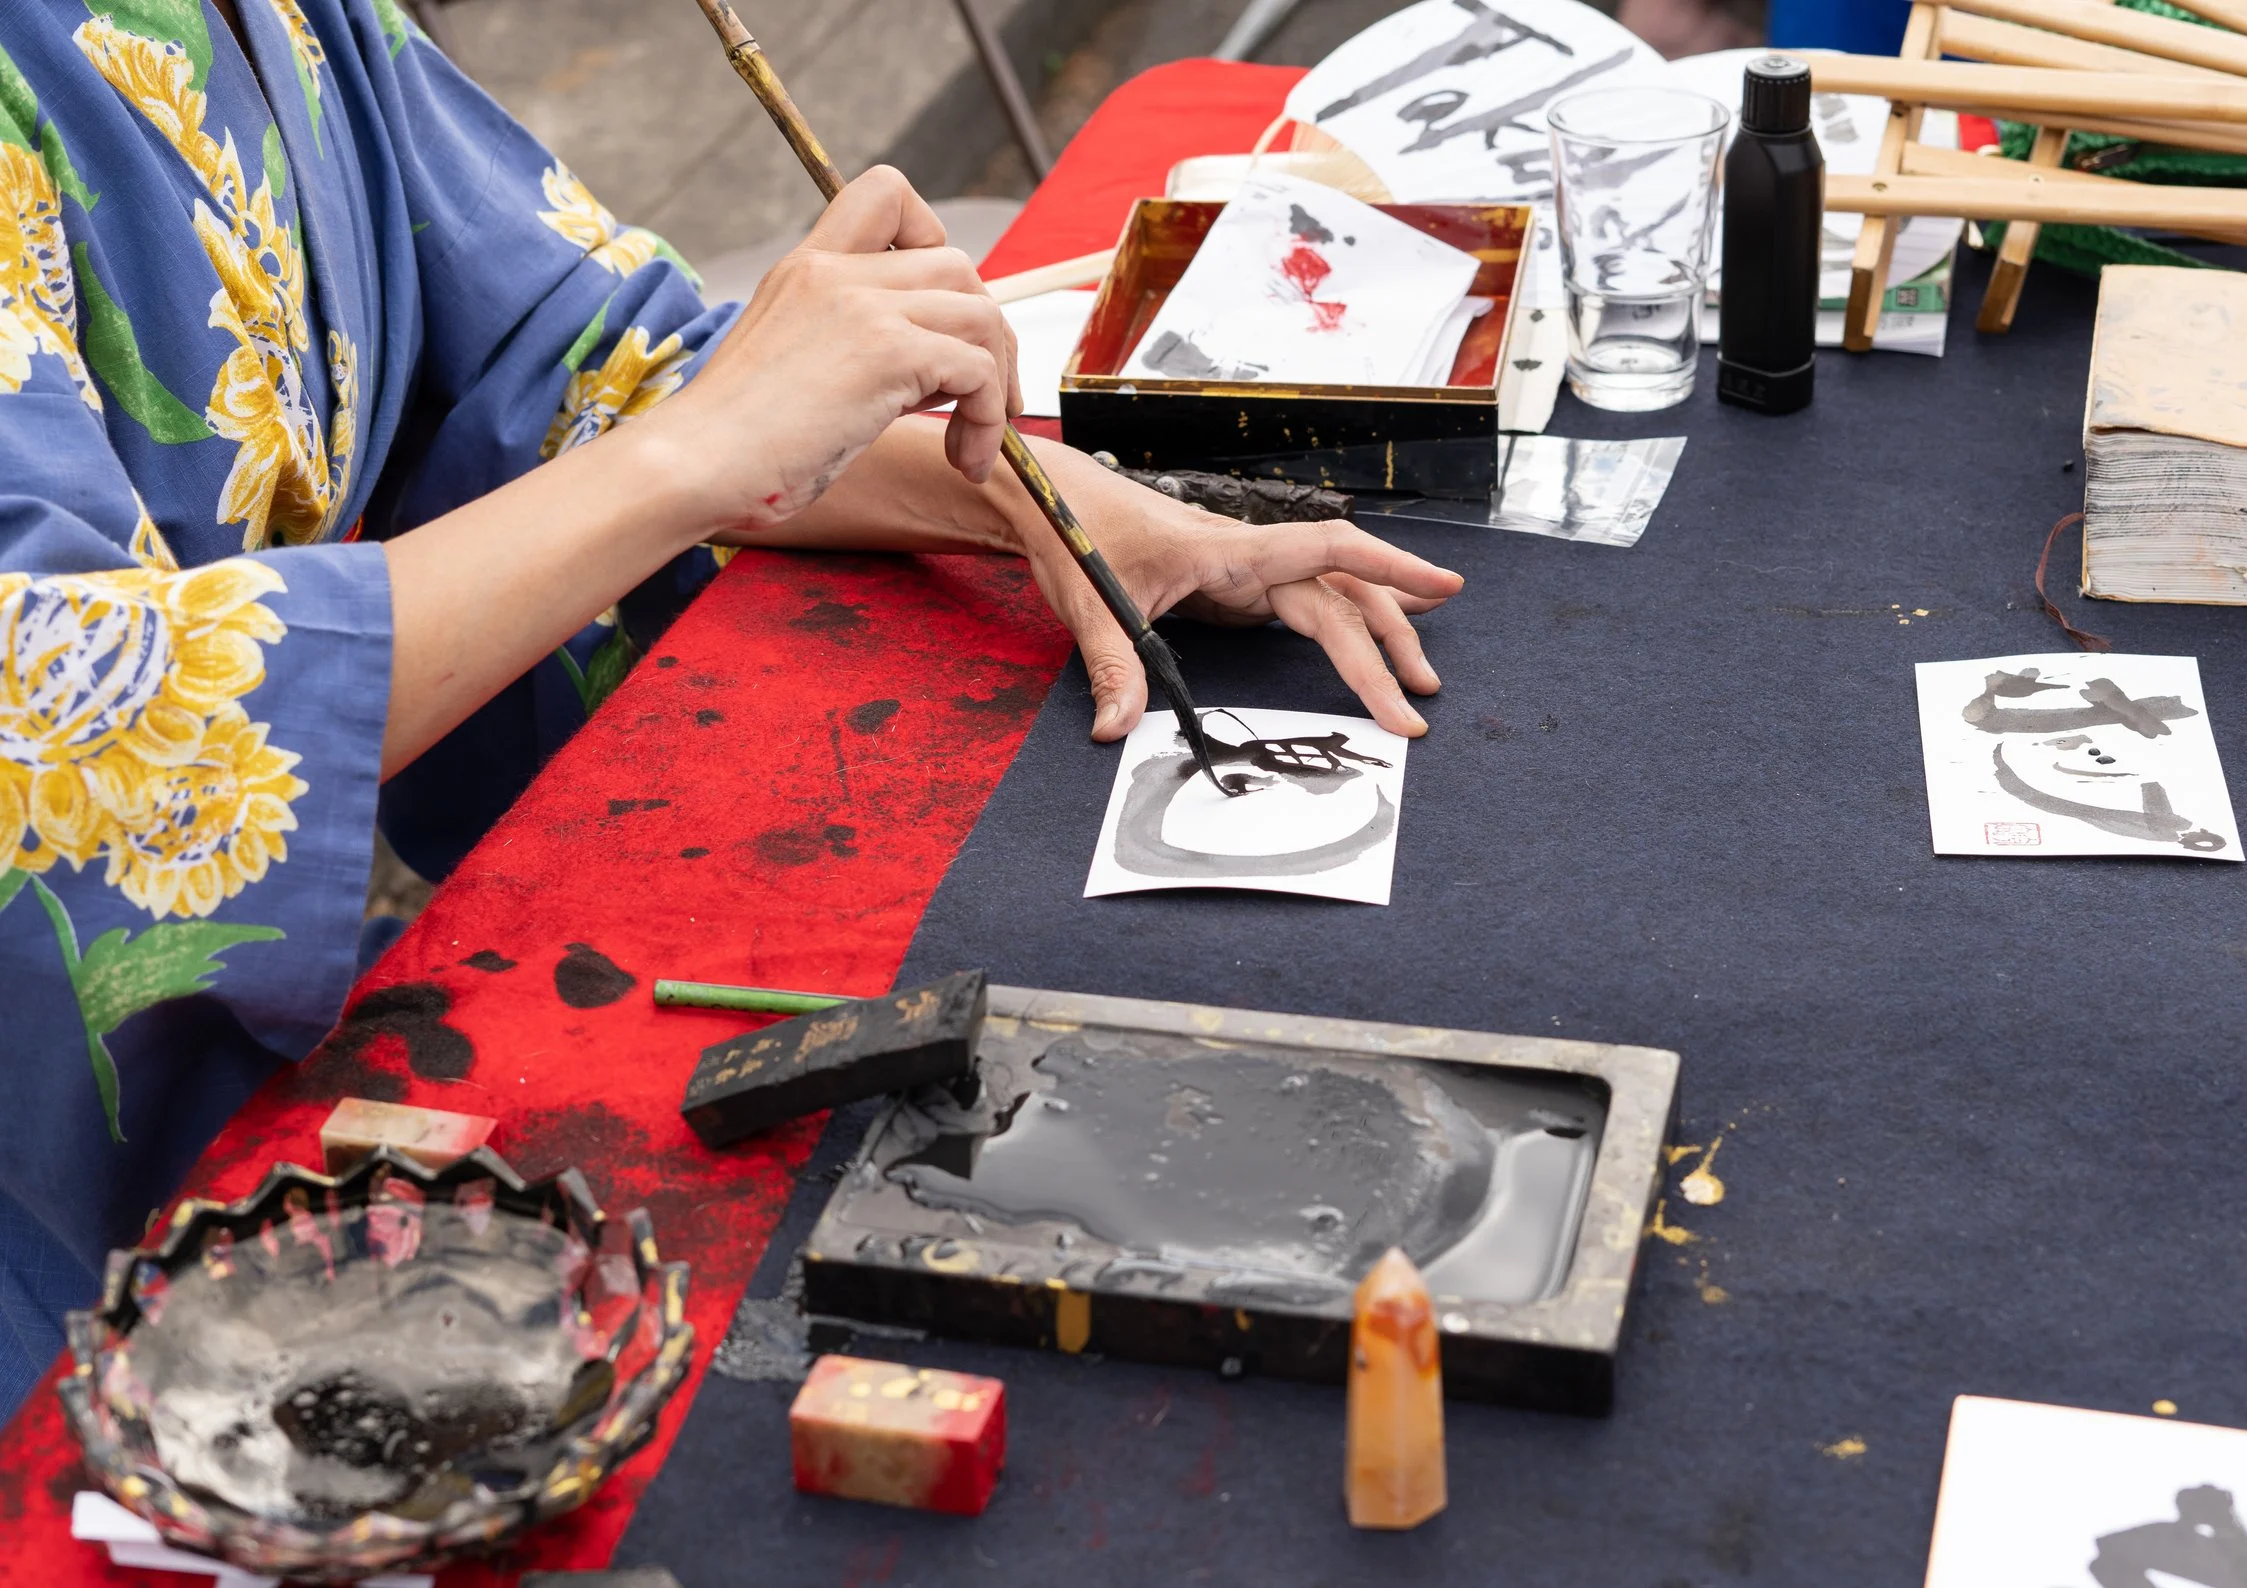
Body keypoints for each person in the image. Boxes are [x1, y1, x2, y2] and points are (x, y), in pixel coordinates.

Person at [0, 0, 1464, 1414]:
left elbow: (594, 378)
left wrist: (1063, 503)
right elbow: (61, 714)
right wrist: (702, 448)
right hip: (63, 1158)